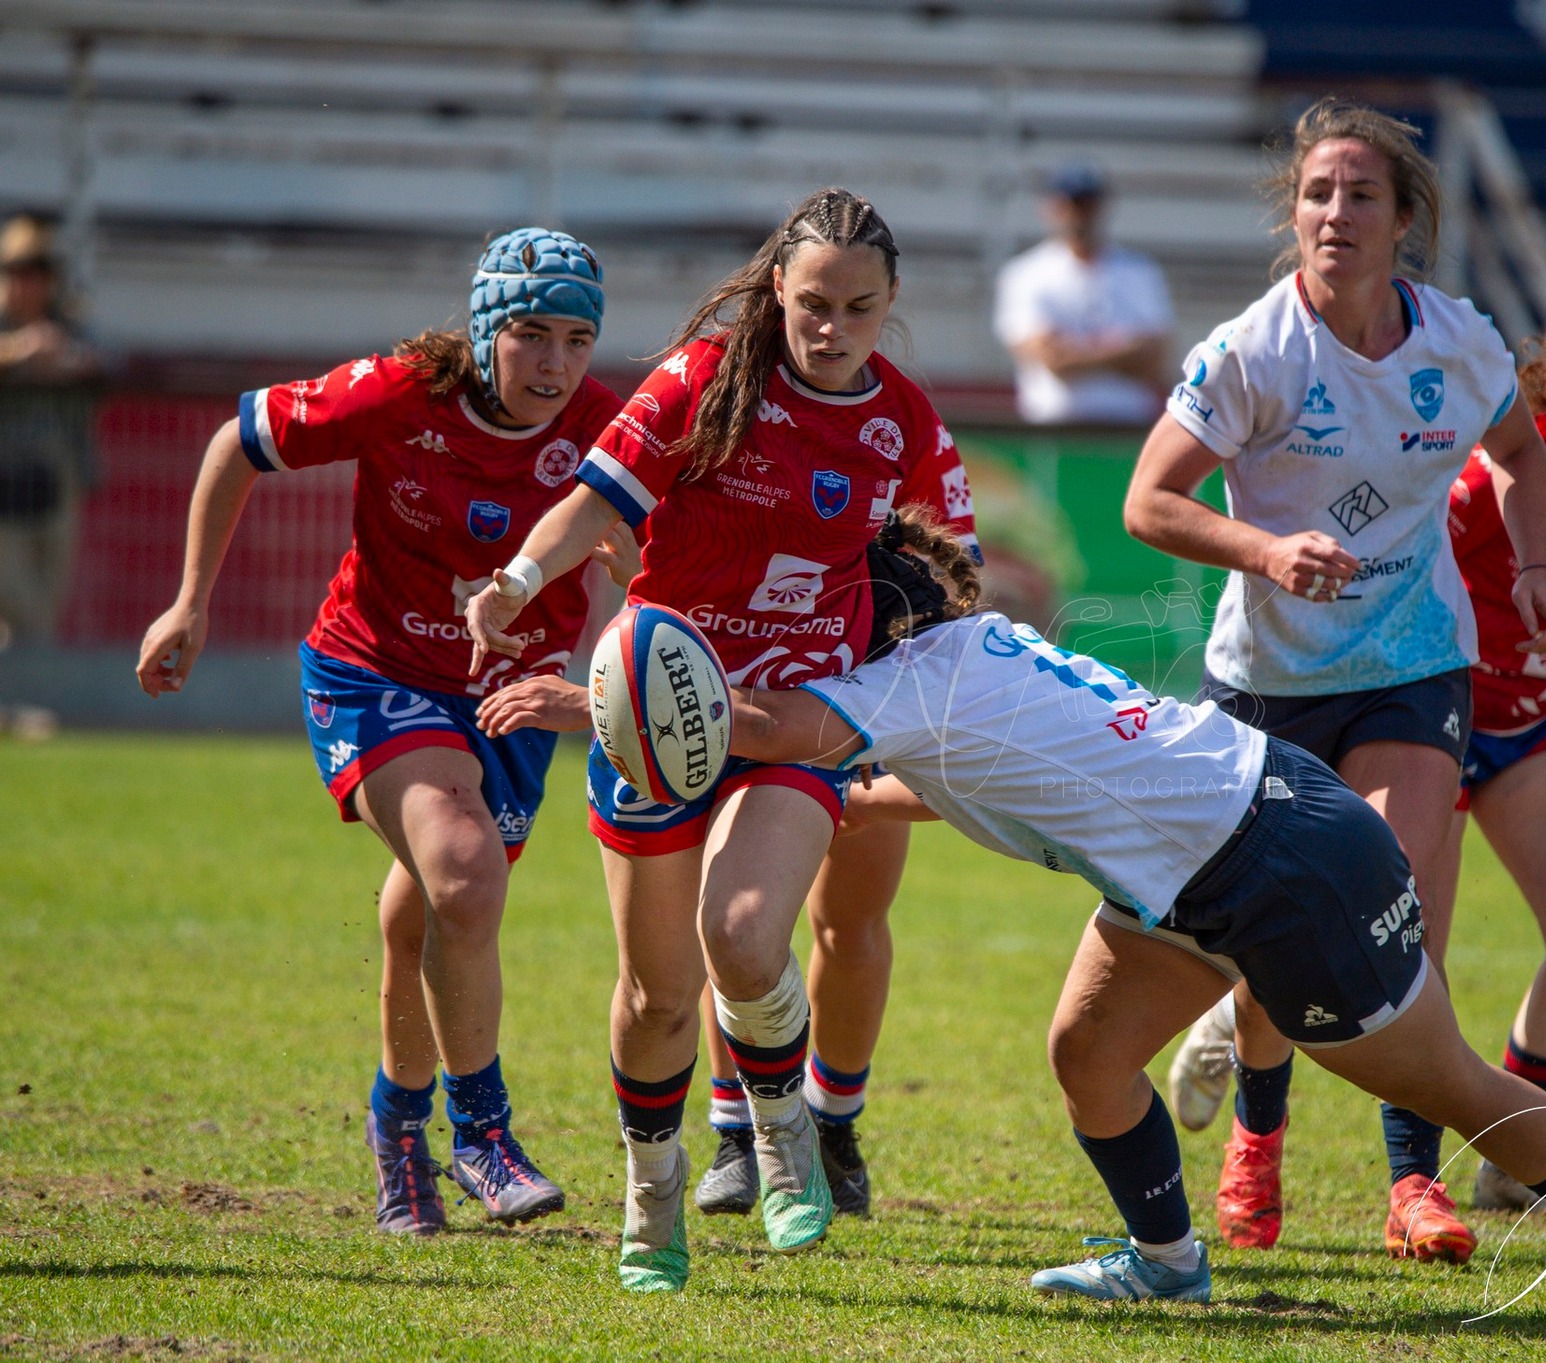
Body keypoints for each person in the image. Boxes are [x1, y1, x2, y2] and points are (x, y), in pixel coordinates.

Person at [696, 513, 1546, 1309]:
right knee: (1086, 1051)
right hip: (1224, 846)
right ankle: (1167, 1260)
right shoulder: (967, 651)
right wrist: (844, 802)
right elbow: (941, 774)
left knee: (1446, 1082)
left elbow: (772, 724)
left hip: (1277, 865)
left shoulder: (906, 681)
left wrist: (598, 697)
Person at [465, 188, 977, 1292]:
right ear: (774, 291)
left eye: (857, 306)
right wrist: (515, 581)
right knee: (655, 997)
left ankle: (783, 1129)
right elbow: (594, 503)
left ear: (889, 306)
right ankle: (654, 1187)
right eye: (810, 303)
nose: (830, 326)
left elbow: (950, 586)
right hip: (655, 716)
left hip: (798, 720)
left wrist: (927, 686)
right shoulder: (704, 381)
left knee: (743, 938)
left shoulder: (908, 425)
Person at [1123, 95, 1546, 1262]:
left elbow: (1518, 451)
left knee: (1394, 906)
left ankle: (1412, 1183)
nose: (1333, 212)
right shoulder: (1252, 350)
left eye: (1359, 193)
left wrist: (1530, 564)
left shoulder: (1458, 342)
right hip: (1265, 678)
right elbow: (1146, 500)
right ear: (1294, 213)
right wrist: (1266, 551)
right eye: (1316, 193)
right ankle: (1257, 1139)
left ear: (1403, 219)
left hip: (1411, 661)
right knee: (1285, 917)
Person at [1167, 290, 1546, 1223]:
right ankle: (1399, 1174)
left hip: (1538, 724)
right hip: (1429, 704)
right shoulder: (1517, 457)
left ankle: (1513, 1157)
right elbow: (1405, 547)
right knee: (1408, 947)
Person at [135, 227, 624, 1236]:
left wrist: (619, 631)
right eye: (531, 333)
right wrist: (190, 604)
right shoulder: (400, 392)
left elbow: (656, 563)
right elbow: (239, 441)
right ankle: (481, 1132)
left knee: (427, 918)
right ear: (487, 327)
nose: (555, 363)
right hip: (376, 672)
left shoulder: (607, 430)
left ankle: (396, 1126)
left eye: (576, 339)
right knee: (465, 872)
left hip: (510, 698)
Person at [994, 162, 1174, 425]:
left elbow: (1155, 360)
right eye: (1070, 203)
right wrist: (1122, 351)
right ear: (1050, 206)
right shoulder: (1024, 274)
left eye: (1086, 203)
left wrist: (1076, 352)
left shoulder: (1140, 271)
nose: (1078, 214)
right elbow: (1051, 360)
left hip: (1127, 427)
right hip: (1053, 429)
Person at [0, 214, 102, 649]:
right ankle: (31, 699)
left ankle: (24, 701)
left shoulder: (69, 326)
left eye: (39, 272)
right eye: (20, 272)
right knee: (17, 600)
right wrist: (21, 353)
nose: (30, 284)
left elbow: (100, 362)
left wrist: (64, 358)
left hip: (55, 481)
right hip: (2, 486)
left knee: (45, 601)